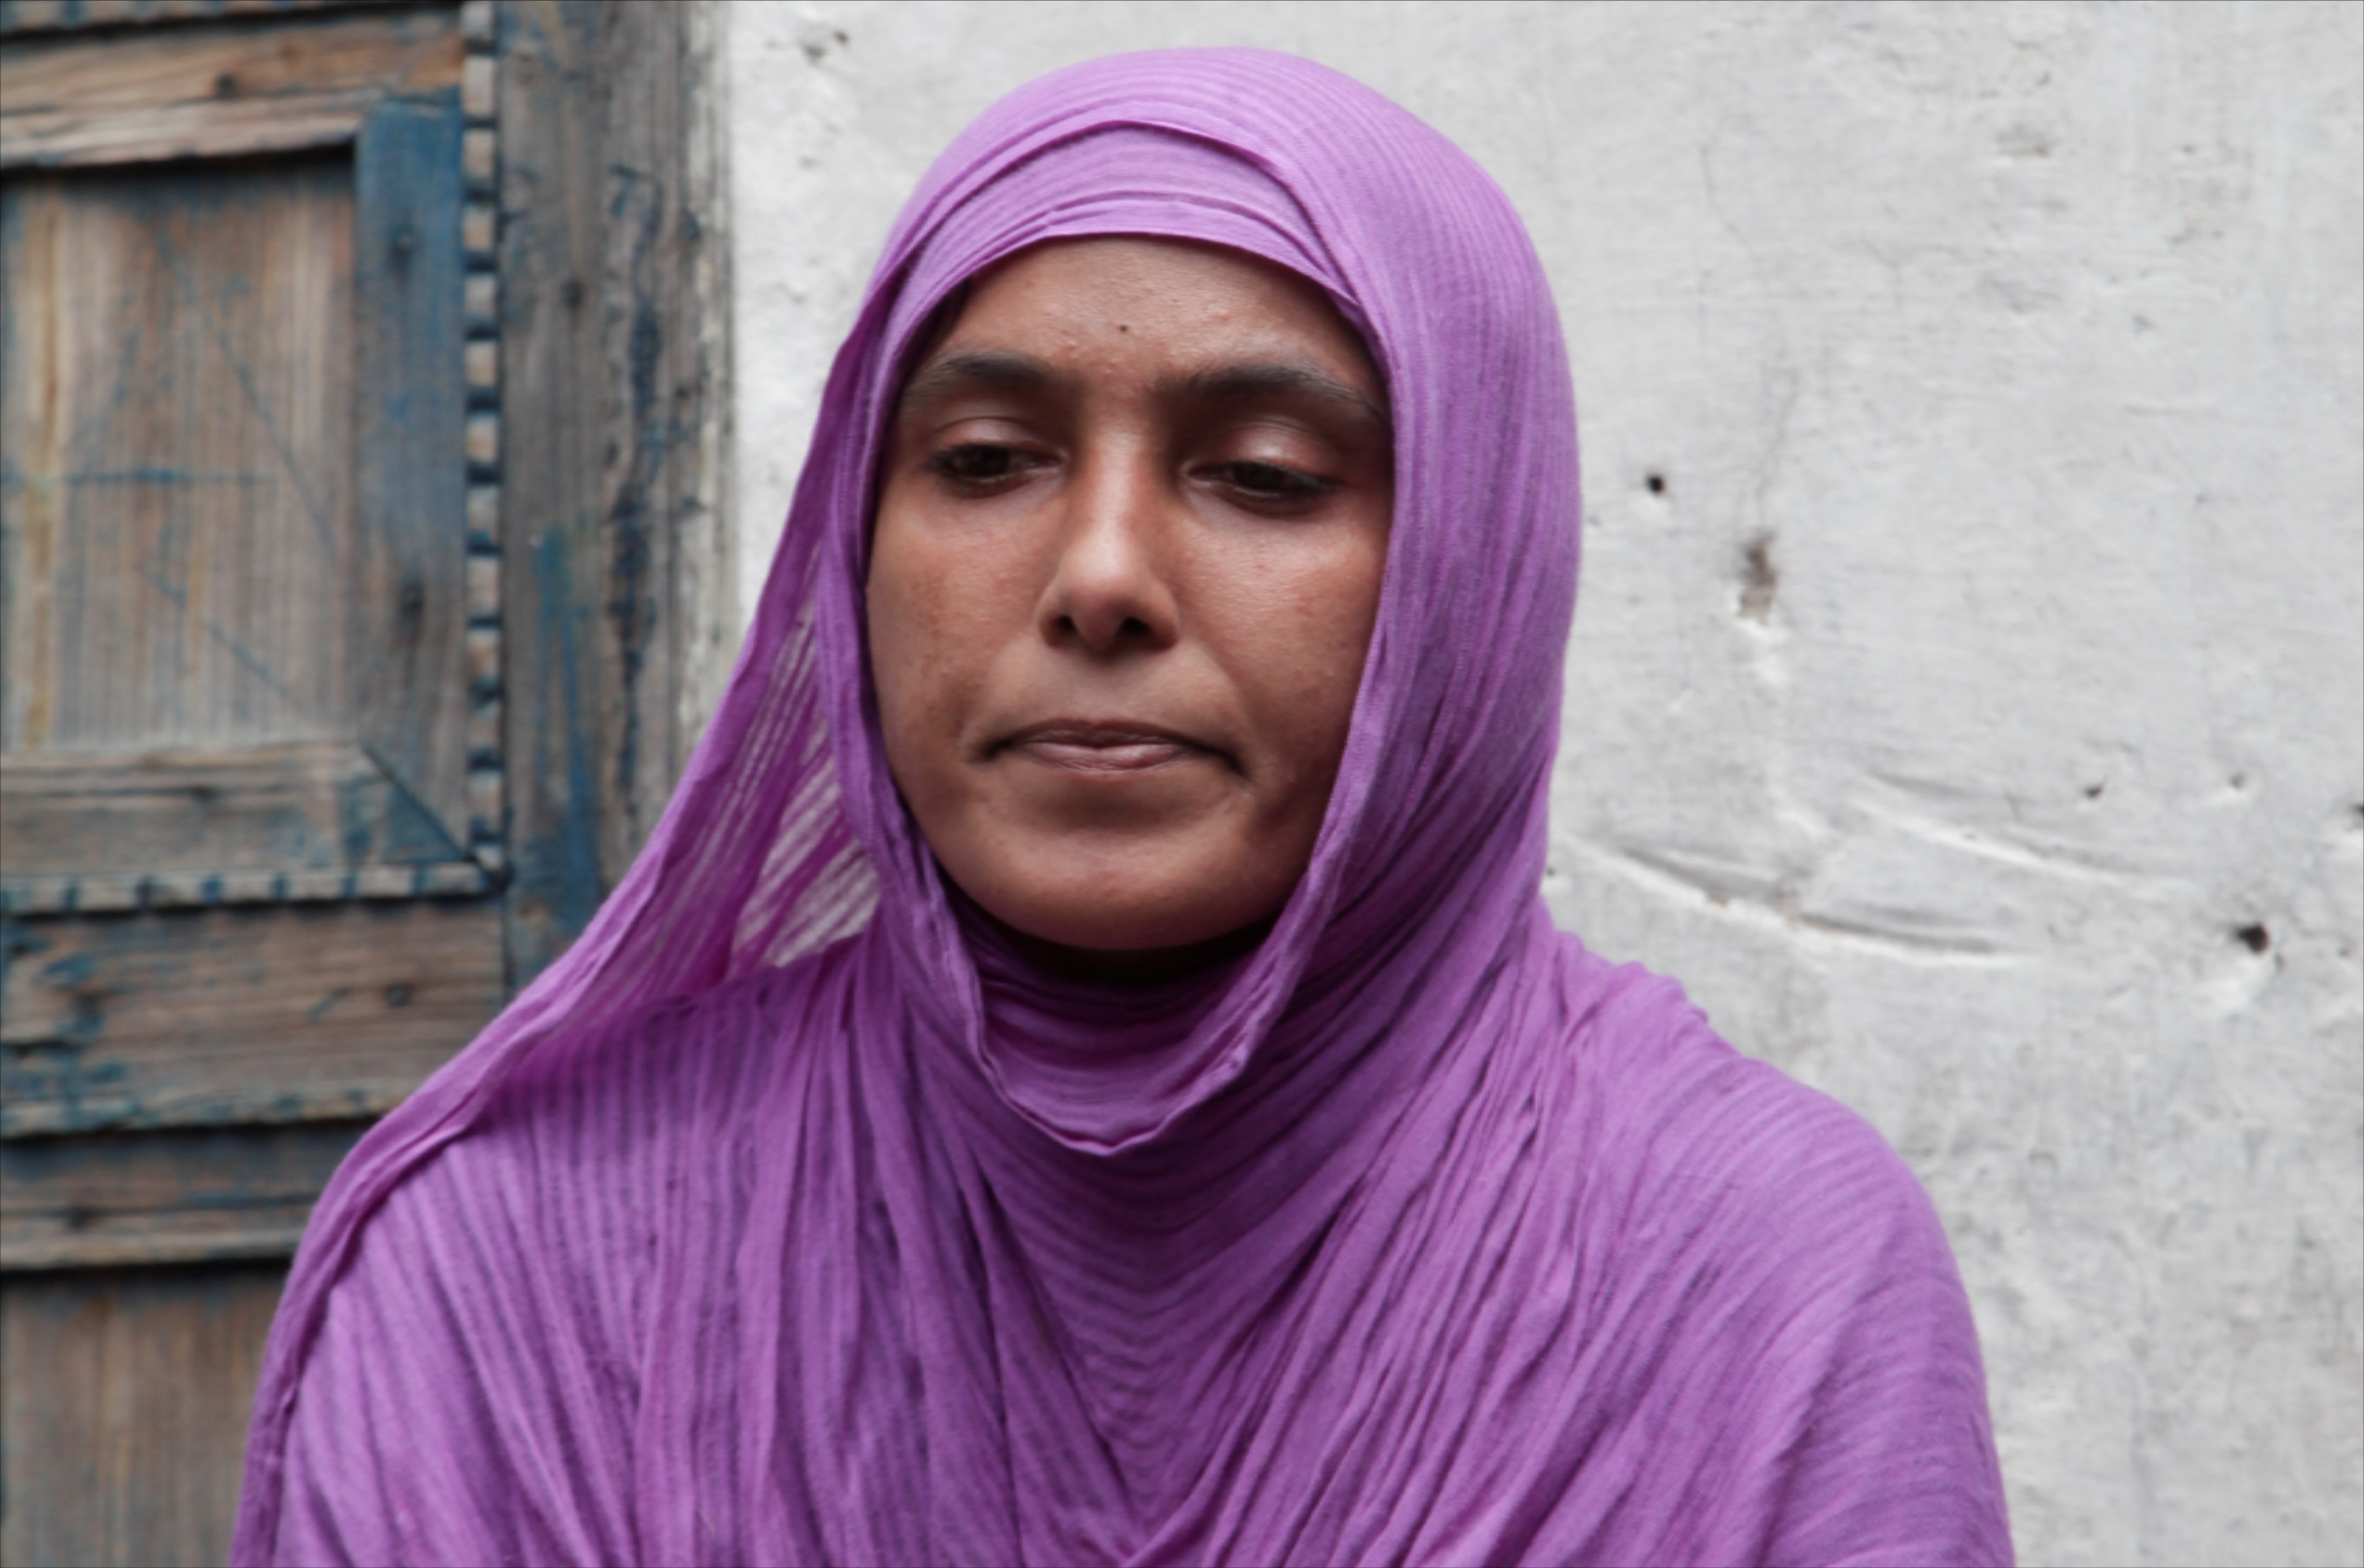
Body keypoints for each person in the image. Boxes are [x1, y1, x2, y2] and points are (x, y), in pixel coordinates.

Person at [234, 50, 2011, 1567]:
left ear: (1474, 570)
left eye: (1261, 475)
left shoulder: (1761, 1278)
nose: (1098, 577)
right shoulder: (520, 1271)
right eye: (988, 462)